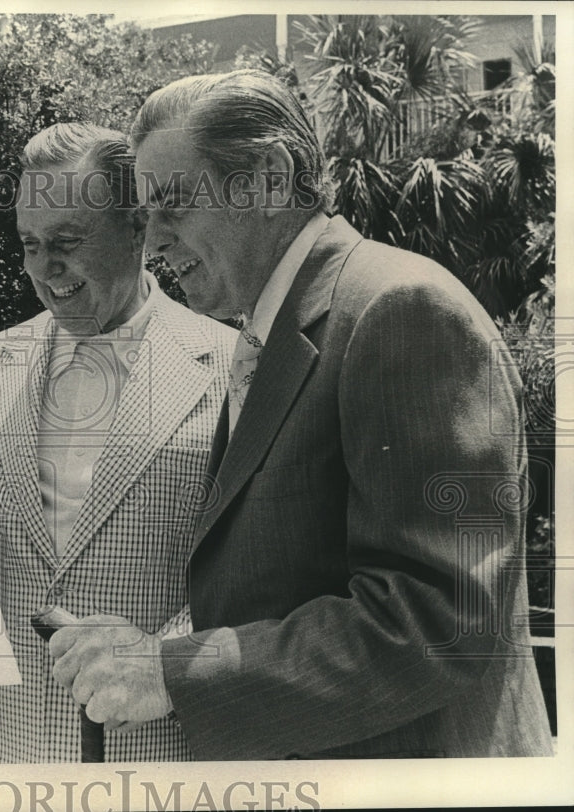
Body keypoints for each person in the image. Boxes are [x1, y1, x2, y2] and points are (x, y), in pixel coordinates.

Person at [48, 71, 554, 759]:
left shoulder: (401, 312)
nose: (152, 244)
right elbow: (282, 581)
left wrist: (173, 672)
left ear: (268, 179)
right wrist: (156, 649)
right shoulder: (273, 331)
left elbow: (442, 618)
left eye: (171, 204)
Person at [0, 122, 237, 762]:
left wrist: (161, 665)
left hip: (158, 754)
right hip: (2, 752)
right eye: (29, 245)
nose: (44, 269)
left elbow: (254, 571)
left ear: (138, 229)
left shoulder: (233, 366)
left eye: (67, 242)